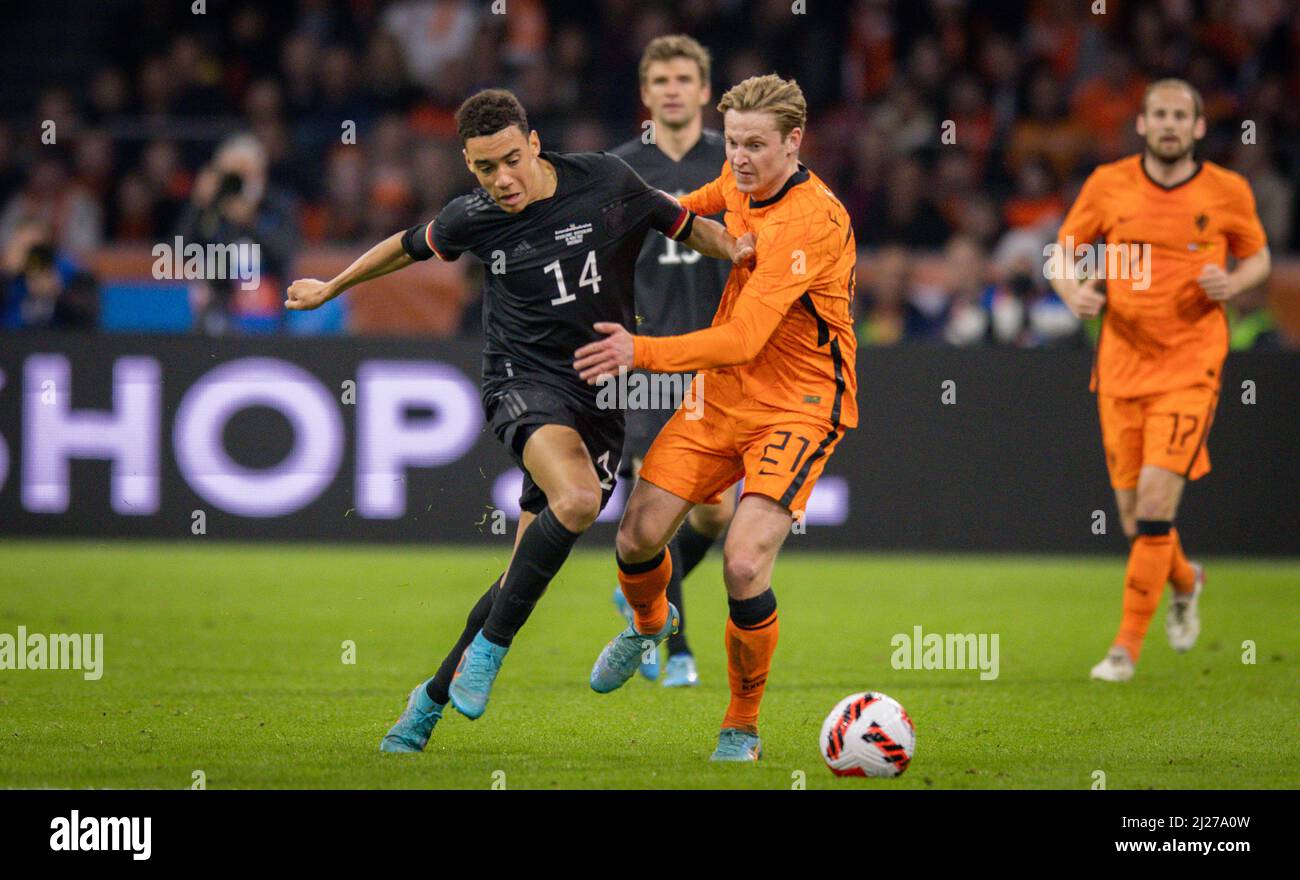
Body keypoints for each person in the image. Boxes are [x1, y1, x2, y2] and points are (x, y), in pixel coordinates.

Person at [284, 89, 752, 752]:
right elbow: (405, 246)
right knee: (580, 499)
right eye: (482, 168)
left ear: (534, 144)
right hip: (522, 383)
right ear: (468, 166)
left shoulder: (607, 183)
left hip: (599, 399)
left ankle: (426, 704)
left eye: (509, 160)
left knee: (520, 575)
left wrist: (742, 255)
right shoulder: (474, 217)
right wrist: (332, 286)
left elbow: (683, 225)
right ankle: (494, 650)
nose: (500, 180)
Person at [574, 74, 858, 761]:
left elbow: (742, 340)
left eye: (755, 145)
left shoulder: (808, 223)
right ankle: (648, 622)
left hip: (798, 403)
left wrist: (637, 350)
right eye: (731, 143)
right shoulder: (740, 181)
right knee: (637, 536)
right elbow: (678, 206)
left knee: (742, 562)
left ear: (794, 142)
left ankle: (740, 724)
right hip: (723, 397)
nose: (738, 158)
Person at [1050, 79, 1271, 682]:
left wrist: (1238, 282)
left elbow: (1258, 256)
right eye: (1159, 115)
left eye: (1181, 115)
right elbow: (1063, 251)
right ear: (1142, 124)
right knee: (1133, 520)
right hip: (1120, 368)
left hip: (1190, 367)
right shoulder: (1108, 184)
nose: (1169, 124)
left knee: (1153, 507)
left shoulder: (1227, 190)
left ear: (1199, 127)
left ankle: (1123, 649)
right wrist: (1074, 289)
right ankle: (1186, 578)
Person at [605, 35, 734, 687]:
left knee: (715, 513)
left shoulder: (734, 164)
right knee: (655, 507)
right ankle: (674, 647)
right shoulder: (620, 169)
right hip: (646, 362)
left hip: (717, 359)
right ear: (646, 93)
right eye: (661, 81)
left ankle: (638, 588)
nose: (674, 89)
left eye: (685, 78)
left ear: (706, 90)